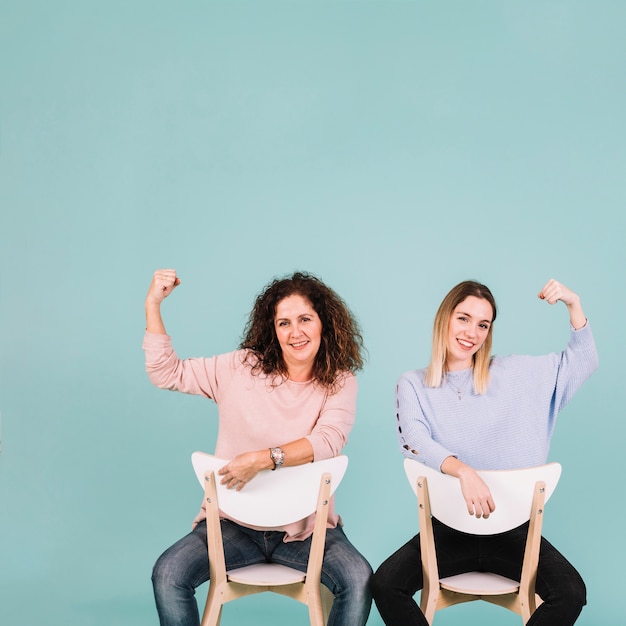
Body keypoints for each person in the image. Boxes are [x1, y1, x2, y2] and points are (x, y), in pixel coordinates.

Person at [143, 268, 372, 626]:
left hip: (304, 531)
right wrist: (153, 304)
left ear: (324, 323)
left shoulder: (340, 382)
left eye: (305, 319)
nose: (295, 332)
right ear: (273, 330)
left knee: (358, 578)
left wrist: (263, 460)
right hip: (232, 527)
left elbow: (327, 441)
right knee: (169, 572)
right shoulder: (240, 368)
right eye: (284, 323)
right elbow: (166, 373)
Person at [371, 278, 599, 626]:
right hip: (448, 530)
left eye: (483, 324)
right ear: (445, 318)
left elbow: (581, 361)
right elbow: (413, 439)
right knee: (386, 584)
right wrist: (464, 471)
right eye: (463, 318)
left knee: (570, 591)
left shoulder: (516, 374)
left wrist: (574, 303)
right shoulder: (413, 383)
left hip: (514, 532)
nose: (471, 332)